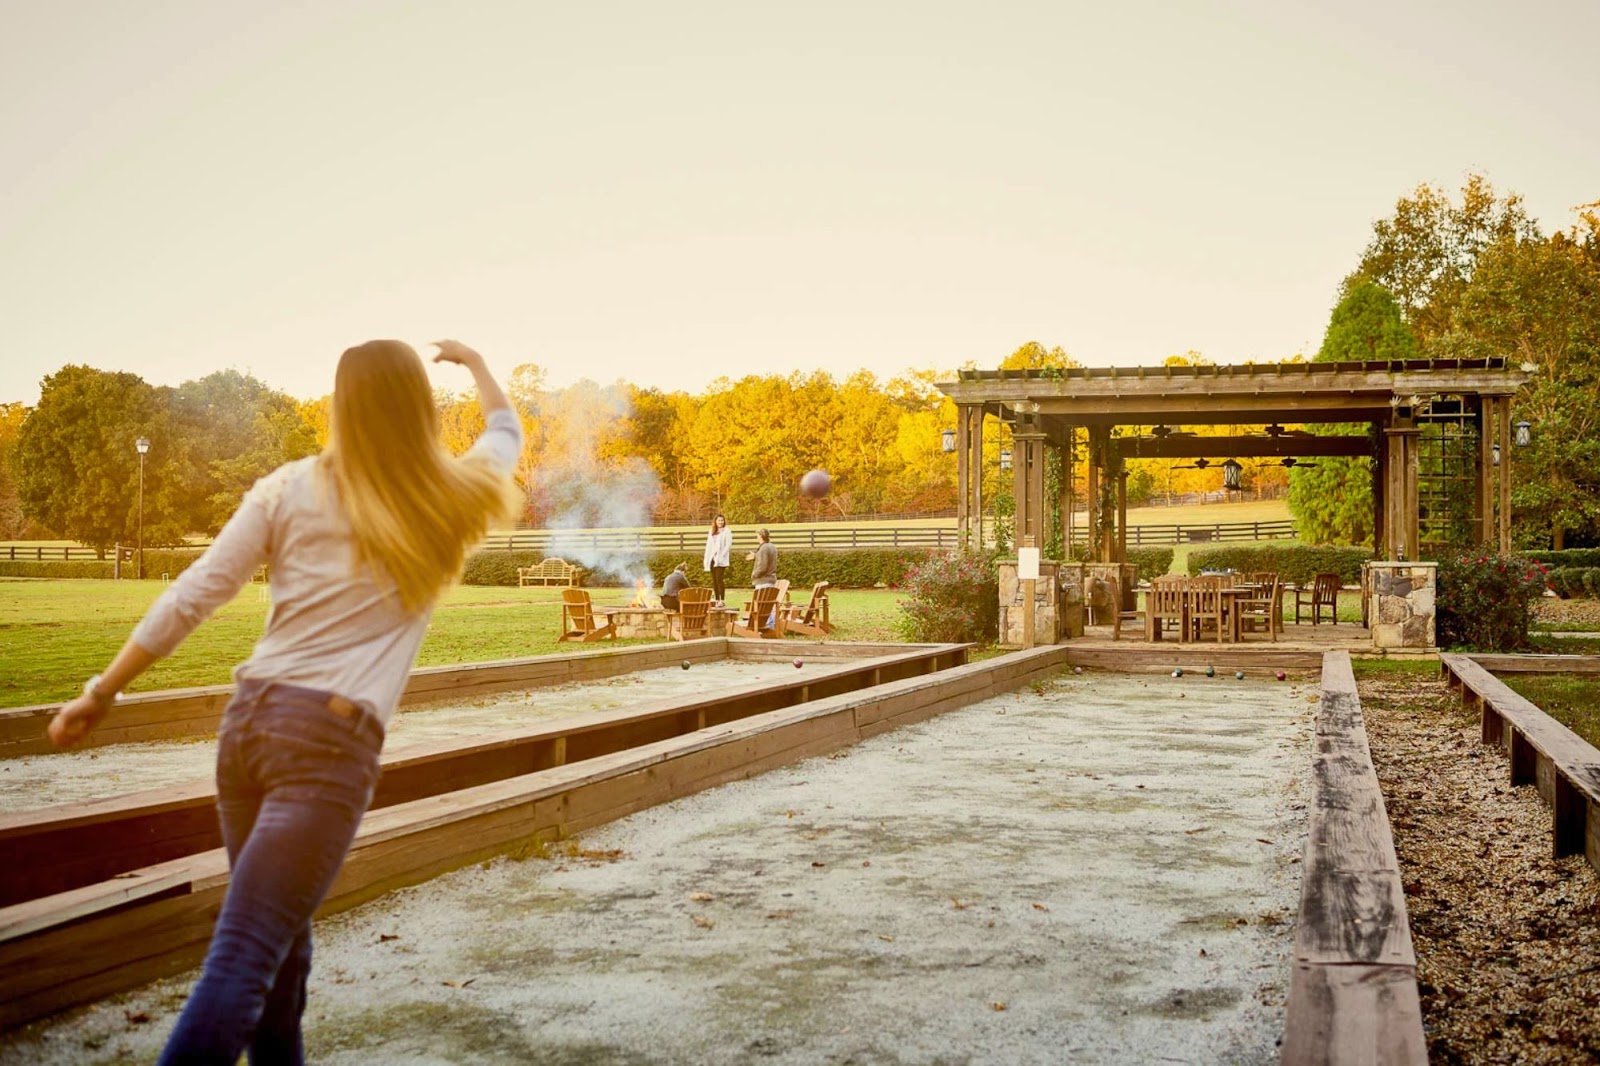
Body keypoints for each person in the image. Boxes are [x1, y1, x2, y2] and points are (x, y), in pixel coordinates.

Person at [47, 339, 520, 1065]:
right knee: (245, 955)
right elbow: (504, 430)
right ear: (420, 412)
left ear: (340, 407)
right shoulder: (449, 497)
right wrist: (478, 364)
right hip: (326, 747)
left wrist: (99, 692)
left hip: (248, 730)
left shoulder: (289, 487)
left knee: (281, 945)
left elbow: (196, 592)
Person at [702, 514, 731, 604]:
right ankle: (717, 598)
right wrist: (707, 558)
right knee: (714, 580)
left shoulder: (727, 531)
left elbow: (728, 545)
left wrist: (721, 555)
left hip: (720, 559)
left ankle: (722, 599)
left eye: (722, 520)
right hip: (712, 558)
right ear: (715, 521)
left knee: (719, 579)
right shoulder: (712, 531)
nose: (720, 522)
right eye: (719, 520)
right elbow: (709, 545)